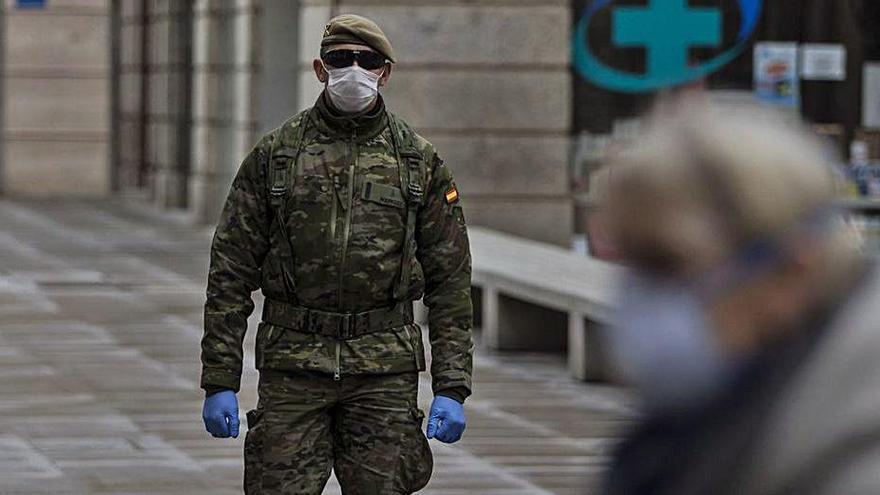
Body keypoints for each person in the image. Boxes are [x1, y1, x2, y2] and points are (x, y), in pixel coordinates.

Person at [199, 14, 474, 494]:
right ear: (319, 68)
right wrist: (219, 378)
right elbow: (230, 271)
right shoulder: (277, 156)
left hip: (383, 370)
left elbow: (450, 280)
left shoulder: (417, 162)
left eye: (365, 60)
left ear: (384, 72)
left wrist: (452, 386)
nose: (353, 69)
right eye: (340, 59)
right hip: (293, 366)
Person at [598, 103, 880, 494]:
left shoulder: (855, 445)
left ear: (791, 269)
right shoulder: (715, 408)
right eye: (635, 265)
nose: (646, 297)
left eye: (670, 266)